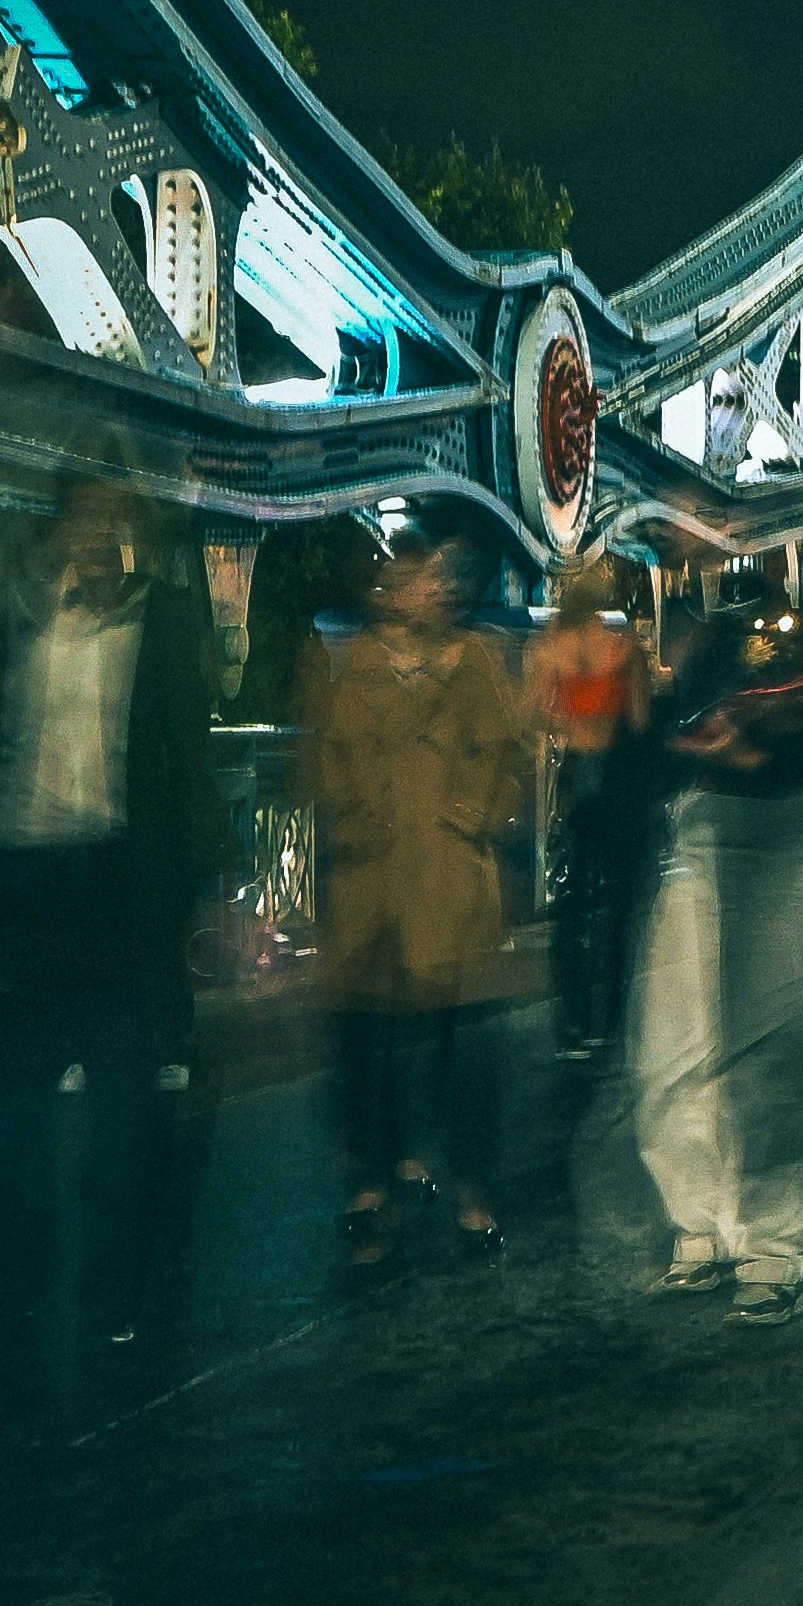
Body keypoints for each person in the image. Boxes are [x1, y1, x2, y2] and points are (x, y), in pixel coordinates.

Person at [0, 489, 230, 1397]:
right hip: (13, 888)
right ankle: (24, 1283)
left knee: (127, 1103)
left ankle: (113, 1287)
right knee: (4, 1115)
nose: (98, 542)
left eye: (113, 527)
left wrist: (206, 895)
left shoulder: (163, 624)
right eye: (83, 524)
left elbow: (186, 759)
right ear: (51, 529)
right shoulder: (3, 618)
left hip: (115, 889)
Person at [630, 574, 803, 1325]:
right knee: (677, 1046)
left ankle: (771, 1246)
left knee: (770, 1048)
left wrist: (754, 741)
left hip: (788, 839)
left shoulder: (791, 631)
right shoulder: (692, 626)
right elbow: (657, 748)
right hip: (702, 835)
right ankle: (700, 1225)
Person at [302, 530, 546, 1275]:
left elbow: (510, 753)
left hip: (446, 876)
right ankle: (374, 1177)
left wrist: (473, 815)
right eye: (415, 579)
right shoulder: (360, 660)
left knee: (462, 1047)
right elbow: (326, 755)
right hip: (373, 881)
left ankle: (471, 1187)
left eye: (437, 580)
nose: (431, 591)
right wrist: (354, 816)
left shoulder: (473, 658)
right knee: (368, 1041)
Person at [532, 559, 656, 1063]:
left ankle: (575, 1021)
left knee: (574, 906)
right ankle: (616, 1020)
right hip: (620, 785)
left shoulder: (548, 652)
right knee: (623, 905)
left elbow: (534, 712)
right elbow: (642, 721)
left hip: (577, 780)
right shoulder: (624, 653)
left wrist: (570, 718)